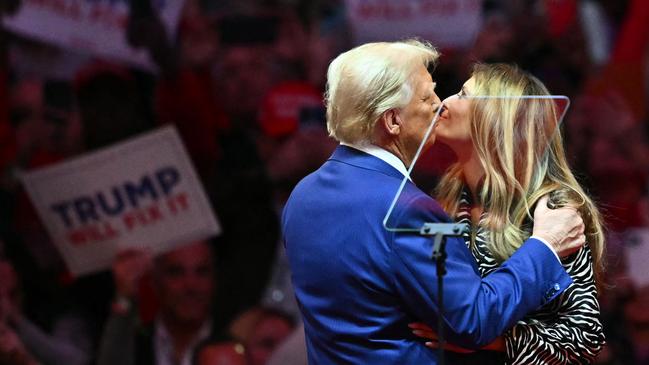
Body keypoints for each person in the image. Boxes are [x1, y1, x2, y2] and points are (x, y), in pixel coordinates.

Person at [282, 39, 586, 364]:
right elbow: (472, 321)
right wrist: (546, 245)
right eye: (427, 97)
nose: (440, 104)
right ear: (392, 121)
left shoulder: (302, 195)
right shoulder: (408, 208)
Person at [412, 63, 606, 364]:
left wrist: (493, 341)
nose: (444, 102)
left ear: (497, 121)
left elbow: (584, 337)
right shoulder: (449, 199)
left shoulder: (553, 208)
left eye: (463, 94)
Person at [97, 241, 217, 365]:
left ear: (214, 281)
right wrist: (124, 297)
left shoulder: (232, 342)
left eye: (202, 272)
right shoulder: (135, 344)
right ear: (154, 282)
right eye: (176, 273)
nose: (191, 285)